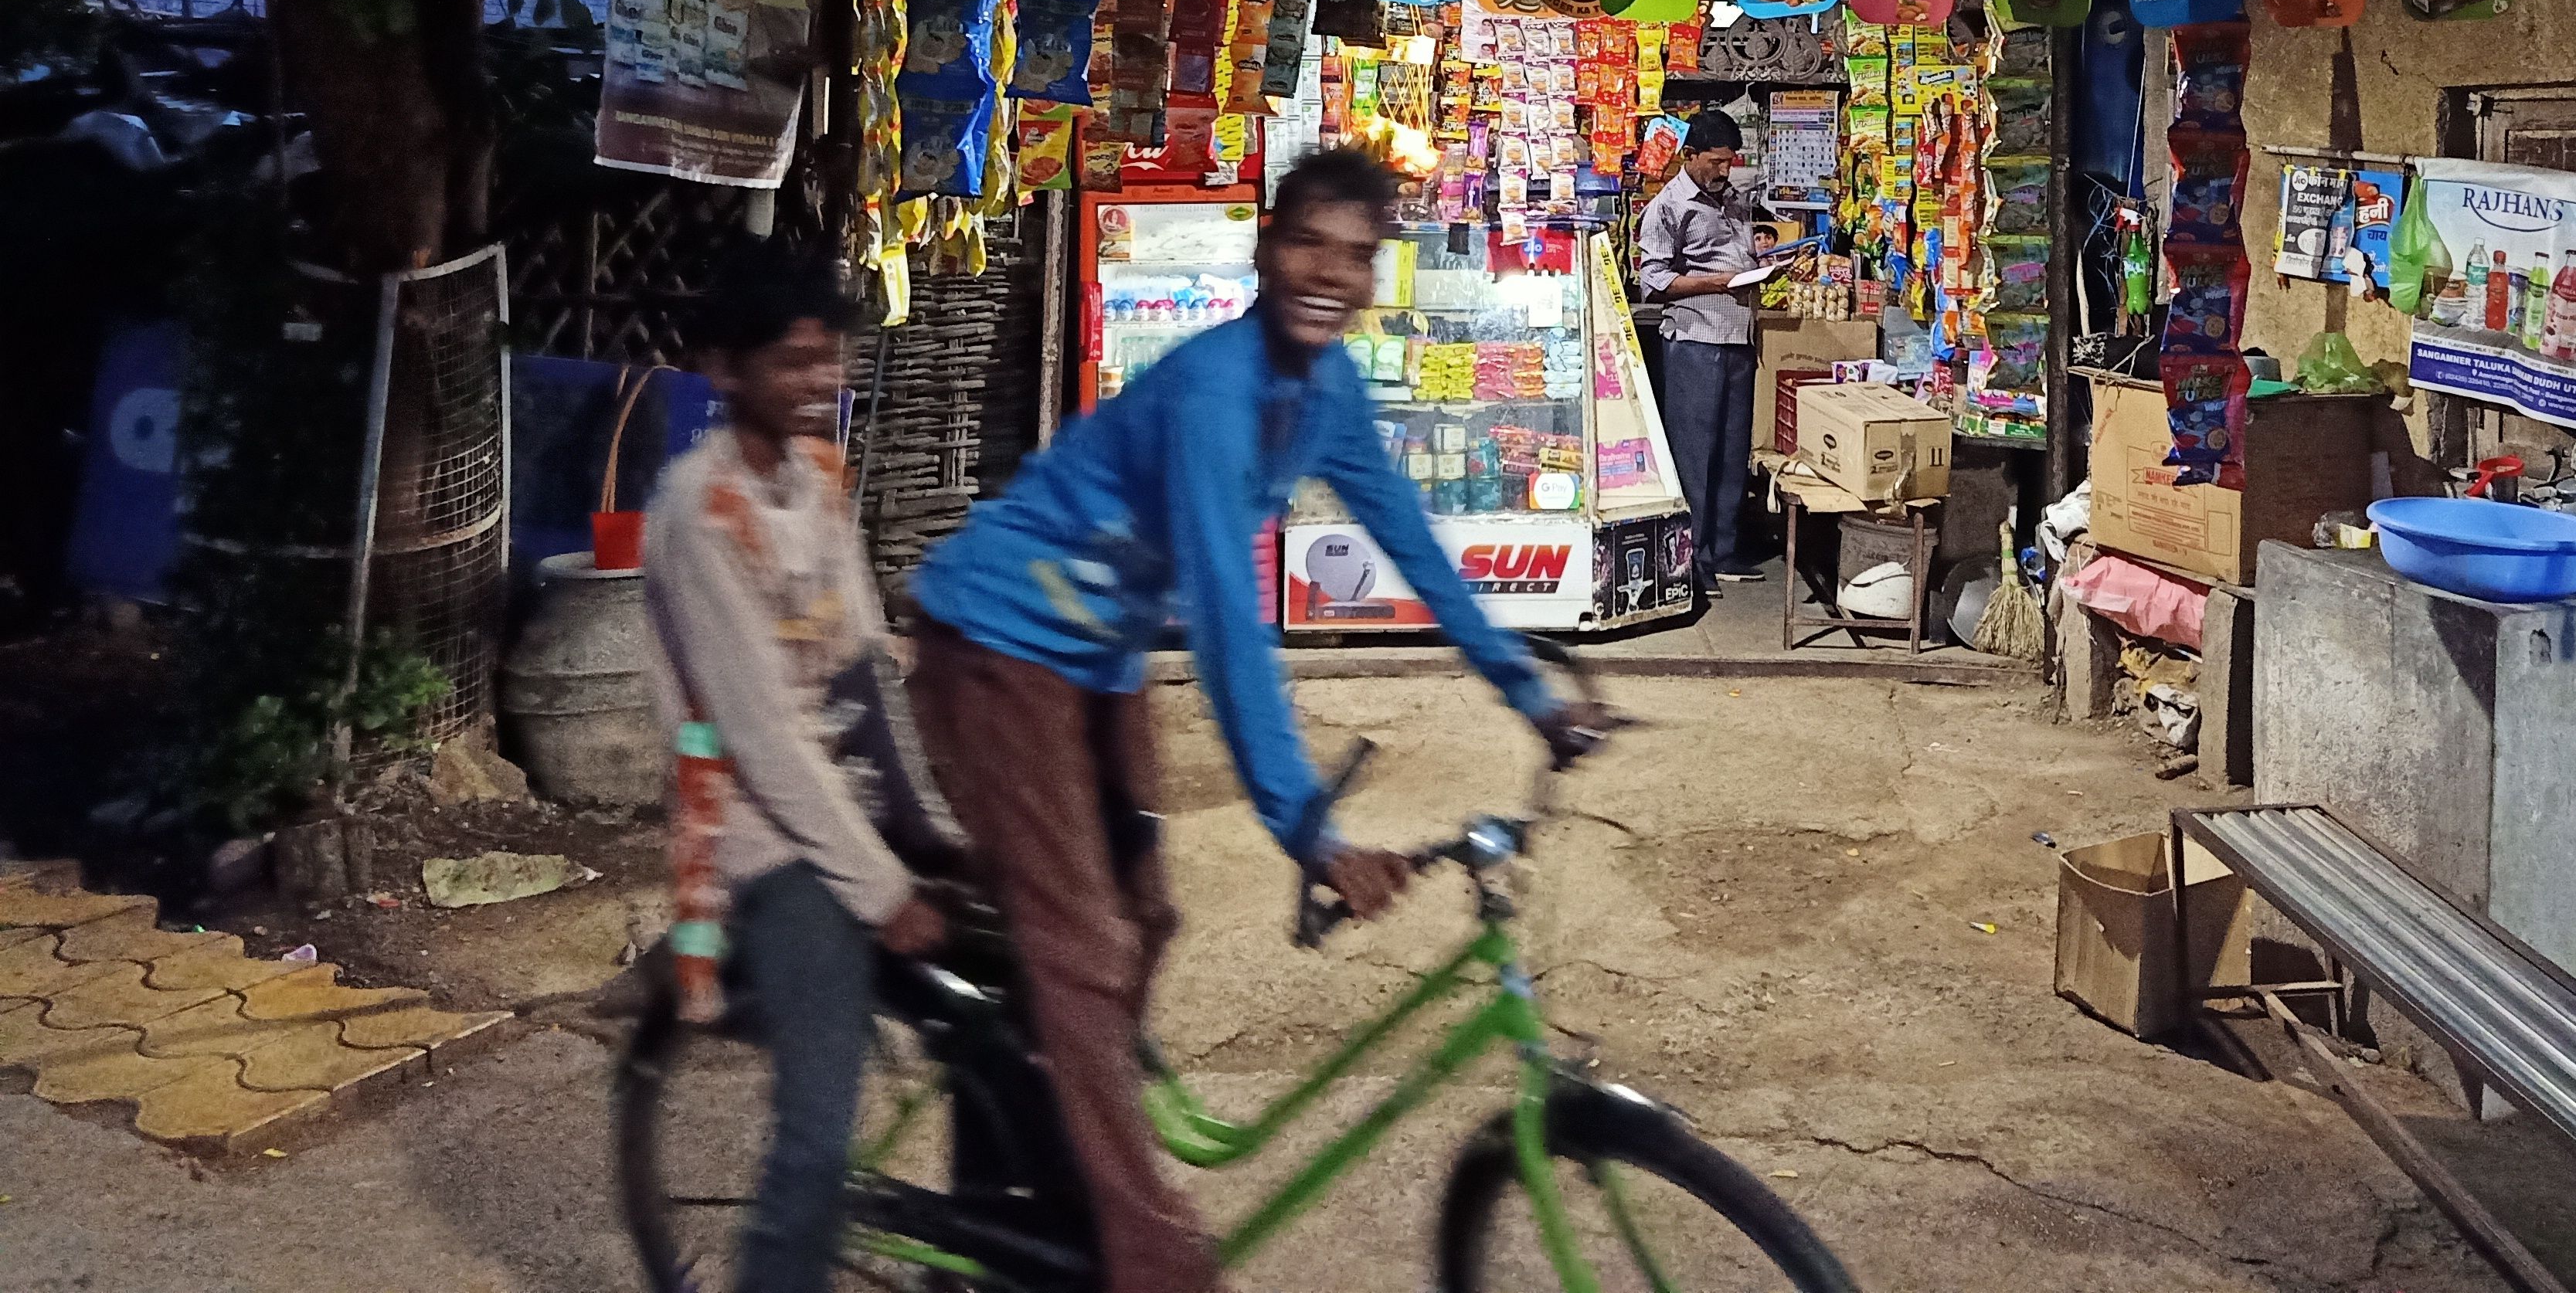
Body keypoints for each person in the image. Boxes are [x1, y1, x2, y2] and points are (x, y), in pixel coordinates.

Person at [906, 146, 1602, 1293]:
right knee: (1083, 947)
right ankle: (1141, 1252)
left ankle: (1038, 1143)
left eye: (1358, 254)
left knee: (1144, 914)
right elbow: (1232, 621)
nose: (1331, 272)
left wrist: (1529, 691)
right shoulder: (1219, 389)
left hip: (1098, 654)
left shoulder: (1322, 390)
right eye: (1308, 243)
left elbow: (1412, 540)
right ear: (1264, 249)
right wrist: (1306, 827)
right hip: (1000, 642)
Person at [641, 241, 960, 1293]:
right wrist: (880, 887)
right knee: (821, 1131)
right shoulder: (698, 510)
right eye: (791, 362)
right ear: (725, 371)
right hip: (761, 832)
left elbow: (865, 655)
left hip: (846, 803)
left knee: (1020, 1009)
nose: (820, 383)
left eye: (829, 359)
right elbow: (759, 737)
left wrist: (931, 825)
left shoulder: (820, 474)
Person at [1637, 110, 1772, 592]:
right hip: (1696, 340)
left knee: (1733, 452)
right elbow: (1653, 278)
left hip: (1738, 337)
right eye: (1715, 162)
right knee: (1695, 454)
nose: (1723, 171)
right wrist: (1716, 283)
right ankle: (1691, 559)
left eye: (1730, 162)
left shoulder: (1733, 200)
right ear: (1688, 156)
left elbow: (1742, 258)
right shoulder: (1669, 207)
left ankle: (1723, 549)